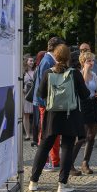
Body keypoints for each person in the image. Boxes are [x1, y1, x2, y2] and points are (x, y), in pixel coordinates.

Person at [29, 43, 89, 192]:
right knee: (67, 148)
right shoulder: (74, 73)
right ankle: (62, 184)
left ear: (55, 57)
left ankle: (33, 181)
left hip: (52, 116)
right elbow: (85, 95)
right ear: (69, 57)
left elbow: (40, 93)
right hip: (70, 115)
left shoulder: (48, 73)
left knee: (44, 147)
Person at [33, 36, 64, 168]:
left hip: (49, 102)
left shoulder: (50, 59)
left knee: (53, 131)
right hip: (46, 103)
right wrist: (47, 103)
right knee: (46, 131)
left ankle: (55, 160)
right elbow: (43, 85)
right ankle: (45, 161)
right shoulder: (47, 61)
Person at [71, 50, 97, 175]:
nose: (92, 63)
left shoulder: (94, 75)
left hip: (93, 104)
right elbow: (80, 90)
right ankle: (70, 164)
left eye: (92, 60)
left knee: (92, 136)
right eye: (89, 61)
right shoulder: (78, 74)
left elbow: (94, 89)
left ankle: (85, 163)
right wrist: (85, 71)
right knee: (81, 136)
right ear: (83, 62)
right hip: (82, 105)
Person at [23, 55, 36, 143]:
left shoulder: (35, 71)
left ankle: (35, 134)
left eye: (32, 61)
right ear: (26, 62)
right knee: (26, 115)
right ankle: (27, 134)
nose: (32, 62)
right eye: (30, 61)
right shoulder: (23, 72)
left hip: (34, 95)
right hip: (25, 95)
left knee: (35, 115)